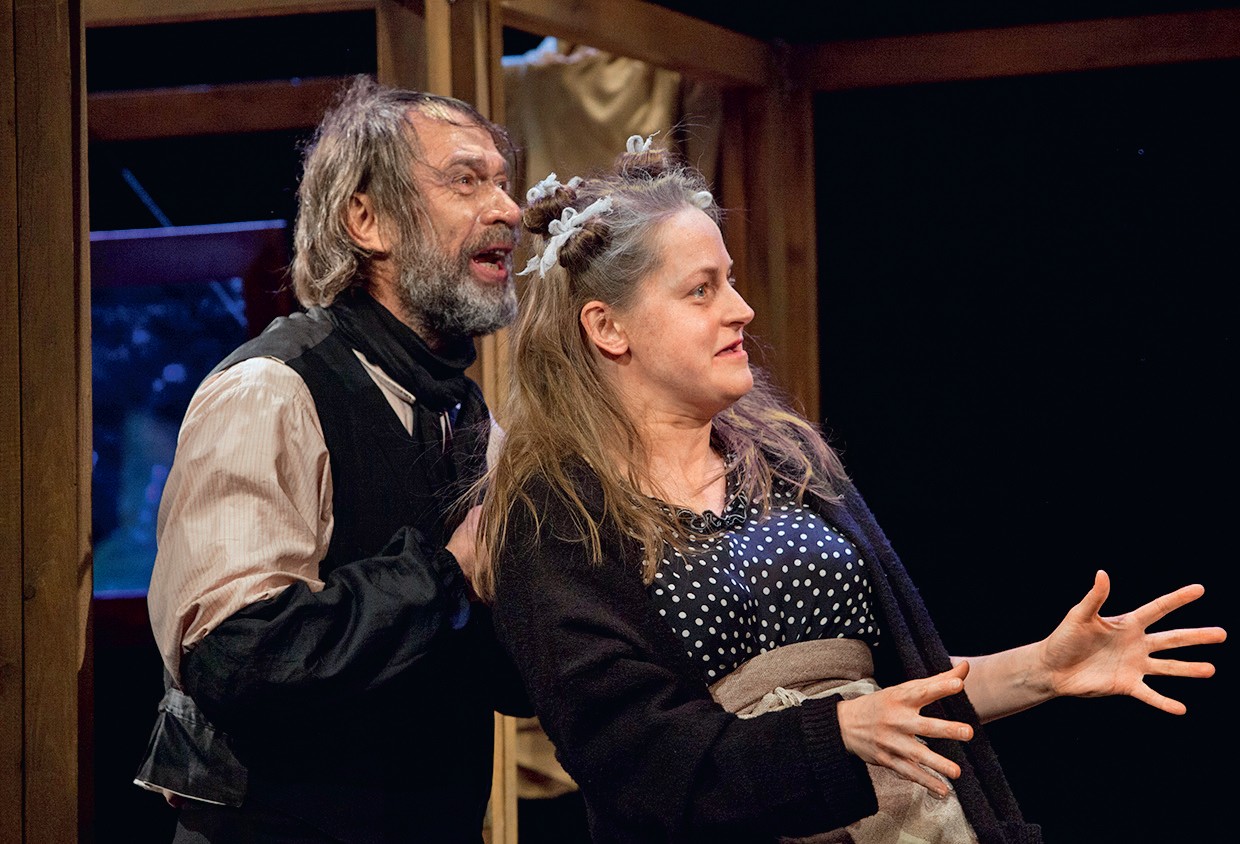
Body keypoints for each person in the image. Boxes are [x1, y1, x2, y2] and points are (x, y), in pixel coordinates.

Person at [474, 138, 1227, 843]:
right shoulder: (557, 518)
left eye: (730, 280)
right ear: (608, 327)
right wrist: (834, 733)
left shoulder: (785, 461)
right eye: (701, 290)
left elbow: (903, 690)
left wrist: (1043, 670)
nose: (740, 309)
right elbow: (637, 762)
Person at [134, 75, 527, 843]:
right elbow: (235, 655)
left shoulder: (464, 414)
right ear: (366, 220)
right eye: (466, 180)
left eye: (504, 183)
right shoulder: (271, 391)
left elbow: (493, 673)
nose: (508, 209)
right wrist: (447, 575)